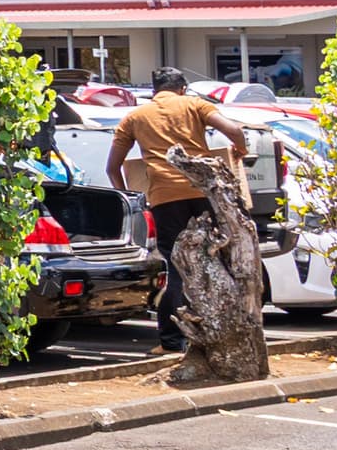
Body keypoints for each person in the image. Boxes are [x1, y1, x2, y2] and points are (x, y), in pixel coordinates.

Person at [106, 67, 248, 352]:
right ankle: (220, 333)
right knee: (215, 260)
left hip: (164, 198)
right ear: (182, 88)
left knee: (176, 267)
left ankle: (172, 342)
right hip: (204, 192)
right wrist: (240, 152)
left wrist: (131, 194)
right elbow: (234, 130)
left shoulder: (134, 117)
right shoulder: (195, 104)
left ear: (153, 90)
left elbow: (112, 168)